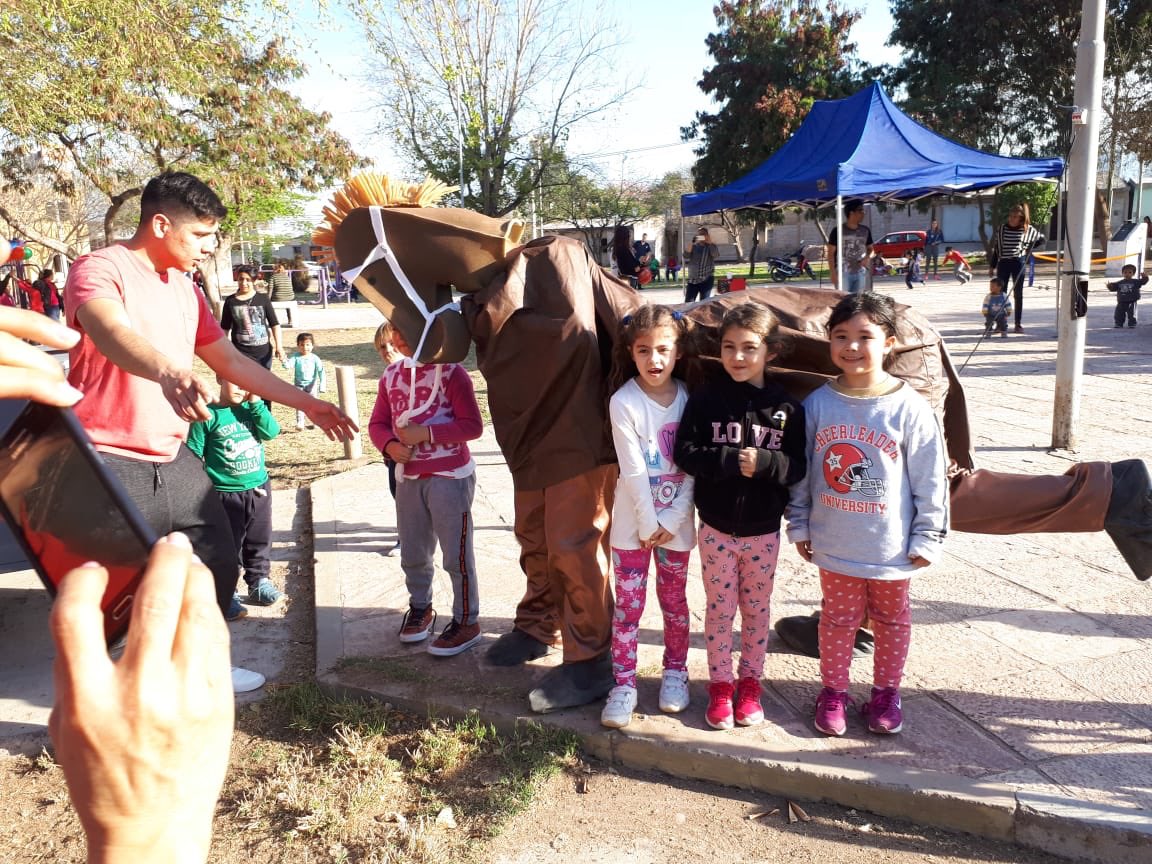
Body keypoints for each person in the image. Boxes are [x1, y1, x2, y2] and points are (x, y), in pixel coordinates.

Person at [62, 171, 354, 681]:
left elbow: (231, 361)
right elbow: (109, 331)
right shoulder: (99, 268)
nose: (209, 246)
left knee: (217, 562)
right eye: (199, 234)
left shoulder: (185, 287)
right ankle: (129, 698)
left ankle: (205, 670)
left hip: (174, 456)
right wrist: (168, 370)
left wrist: (305, 402)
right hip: (106, 456)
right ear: (160, 224)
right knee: (124, 593)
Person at [787, 292, 948, 737]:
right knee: (837, 620)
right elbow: (802, 472)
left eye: (865, 336)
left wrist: (928, 534)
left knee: (892, 621)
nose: (852, 346)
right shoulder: (818, 404)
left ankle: (885, 695)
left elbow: (930, 477)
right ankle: (833, 693)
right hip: (836, 543)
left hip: (891, 547)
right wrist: (799, 523)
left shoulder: (908, 407)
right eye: (841, 336)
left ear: (889, 342)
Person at [674, 304, 806, 731]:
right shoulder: (706, 398)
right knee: (719, 610)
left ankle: (749, 686)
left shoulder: (786, 407)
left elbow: (798, 467)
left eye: (749, 347)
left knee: (756, 610)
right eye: (729, 347)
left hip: (764, 532)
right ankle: (719, 685)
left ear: (771, 351)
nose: (738, 357)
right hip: (715, 528)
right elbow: (685, 452)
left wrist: (766, 464)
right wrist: (729, 460)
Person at [600, 305, 696, 729]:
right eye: (644, 350)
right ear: (631, 352)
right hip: (631, 529)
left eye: (663, 349)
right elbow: (633, 470)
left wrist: (671, 520)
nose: (654, 359)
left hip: (676, 527)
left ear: (678, 351)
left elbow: (694, 467)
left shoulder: (691, 399)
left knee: (675, 603)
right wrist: (646, 524)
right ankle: (623, 684)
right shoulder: (623, 402)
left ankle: (676, 672)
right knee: (629, 608)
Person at [367, 321, 485, 656]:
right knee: (413, 551)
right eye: (395, 329)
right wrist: (389, 445)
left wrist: (428, 434)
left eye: (407, 328)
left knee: (456, 554)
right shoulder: (391, 376)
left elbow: (472, 426)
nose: (398, 337)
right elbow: (377, 423)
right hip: (408, 479)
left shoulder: (452, 373)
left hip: (450, 477)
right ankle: (421, 608)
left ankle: (467, 621)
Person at [187, 376, 284, 609]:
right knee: (229, 545)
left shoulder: (252, 410)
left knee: (259, 538)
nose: (242, 388)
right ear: (220, 378)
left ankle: (259, 581)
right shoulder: (207, 415)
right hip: (224, 494)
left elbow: (271, 432)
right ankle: (226, 591)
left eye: (246, 382)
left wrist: (256, 403)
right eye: (235, 382)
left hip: (259, 489)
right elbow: (192, 454)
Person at [373, 319, 404, 556]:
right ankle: (406, 536)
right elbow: (380, 419)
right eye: (382, 347)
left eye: (392, 344)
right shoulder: (387, 377)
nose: (388, 351)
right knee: (399, 494)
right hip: (395, 449)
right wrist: (386, 445)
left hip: (420, 447)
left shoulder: (417, 372)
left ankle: (413, 537)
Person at [988, 203, 1043, 333]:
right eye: (1010, 216)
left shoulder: (1027, 229)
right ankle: (1001, 323)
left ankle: (1018, 323)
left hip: (1018, 262)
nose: (1012, 219)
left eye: (1015, 217)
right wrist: (992, 266)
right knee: (1000, 294)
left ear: (1021, 218)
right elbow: (997, 248)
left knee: (1018, 293)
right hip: (1003, 263)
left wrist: (1028, 247)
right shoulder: (1002, 229)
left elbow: (1042, 240)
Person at [219, 267, 286, 371]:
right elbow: (225, 328)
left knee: (263, 381)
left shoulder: (263, 298)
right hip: (240, 353)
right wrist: (224, 350)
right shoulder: (230, 301)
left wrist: (279, 346)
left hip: (263, 354)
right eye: (241, 279)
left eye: (248, 280)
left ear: (254, 280)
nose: (244, 283)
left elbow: (275, 324)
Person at [825, 199, 873, 294]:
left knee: (857, 300)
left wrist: (867, 257)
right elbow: (830, 253)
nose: (863, 213)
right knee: (844, 299)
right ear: (851, 213)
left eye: (863, 210)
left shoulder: (865, 230)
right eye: (860, 210)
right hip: (842, 272)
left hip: (860, 272)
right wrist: (833, 273)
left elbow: (871, 249)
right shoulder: (837, 231)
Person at [284, 331, 326, 431]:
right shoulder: (296, 357)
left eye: (307, 345)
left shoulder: (315, 358)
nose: (305, 347)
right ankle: (300, 423)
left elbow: (321, 371)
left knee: (314, 404)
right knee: (300, 404)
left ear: (312, 346)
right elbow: (289, 365)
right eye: (302, 345)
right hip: (299, 386)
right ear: (298, 345)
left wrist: (322, 385)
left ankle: (316, 422)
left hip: (312, 386)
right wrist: (284, 361)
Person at [1107, 263, 1147, 328]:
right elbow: (1114, 287)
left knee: (1132, 313)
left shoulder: (1135, 282)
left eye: (1130, 272)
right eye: (1125, 272)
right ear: (1122, 273)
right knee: (1119, 313)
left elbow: (1143, 282)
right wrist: (1110, 286)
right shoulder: (1120, 283)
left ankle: (1132, 323)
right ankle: (1118, 323)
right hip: (1121, 301)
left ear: (1133, 274)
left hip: (1132, 301)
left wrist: (1145, 277)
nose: (1127, 274)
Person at [684, 227, 718, 302]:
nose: (701, 236)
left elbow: (715, 255)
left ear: (707, 235)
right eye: (699, 234)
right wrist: (692, 242)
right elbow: (685, 256)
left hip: (706, 279)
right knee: (688, 302)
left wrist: (710, 242)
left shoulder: (711, 246)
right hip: (693, 280)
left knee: (704, 303)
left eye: (703, 234)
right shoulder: (694, 246)